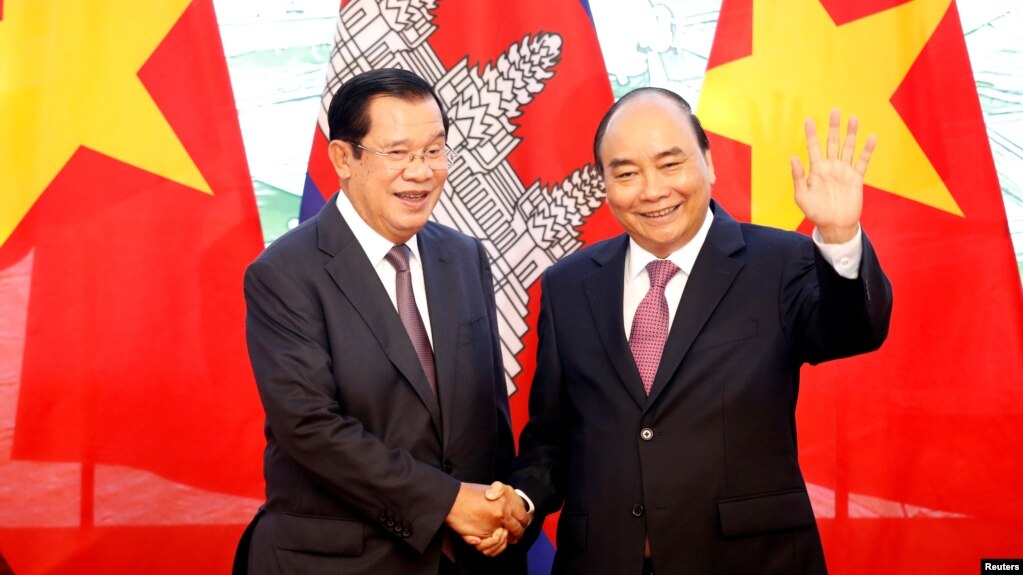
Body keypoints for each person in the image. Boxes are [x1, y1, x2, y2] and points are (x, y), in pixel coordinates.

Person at [507, 87, 893, 574]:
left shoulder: (779, 262)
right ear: (604, 184)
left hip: (751, 561)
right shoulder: (568, 285)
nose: (651, 190)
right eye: (626, 173)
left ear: (708, 164)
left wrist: (839, 237)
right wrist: (518, 503)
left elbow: (854, 330)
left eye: (670, 165)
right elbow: (553, 441)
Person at [233, 68, 527, 575]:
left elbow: (488, 416)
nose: (421, 171)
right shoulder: (283, 273)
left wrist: (502, 510)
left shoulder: (462, 257)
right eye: (398, 153)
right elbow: (310, 428)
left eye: (434, 151)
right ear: (343, 158)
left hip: (469, 558)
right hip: (341, 562)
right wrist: (449, 502)